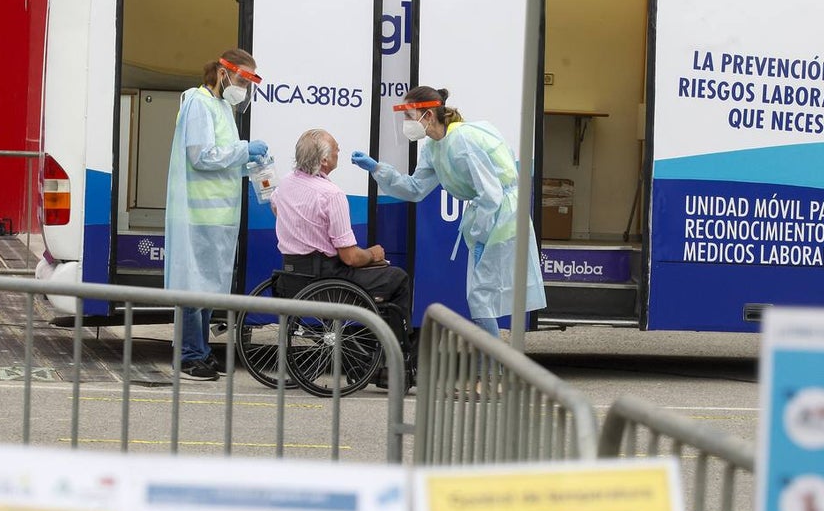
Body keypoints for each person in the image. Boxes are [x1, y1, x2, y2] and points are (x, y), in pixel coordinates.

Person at [350, 85, 546, 340]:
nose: (406, 124)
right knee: (481, 296)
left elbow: (491, 194)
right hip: (491, 218)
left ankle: (491, 371)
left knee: (480, 296)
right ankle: (490, 369)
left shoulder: (463, 141)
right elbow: (415, 189)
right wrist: (377, 169)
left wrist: (482, 231)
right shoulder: (434, 148)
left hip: (502, 218)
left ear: (428, 115)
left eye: (409, 116)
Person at [164, 49, 268, 380]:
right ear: (223, 72)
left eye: (249, 81)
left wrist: (247, 165)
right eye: (242, 79)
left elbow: (221, 163)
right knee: (193, 288)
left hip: (219, 215)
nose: (244, 87)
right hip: (197, 212)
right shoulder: (199, 102)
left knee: (208, 288)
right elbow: (200, 156)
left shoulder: (223, 107)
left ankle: (202, 351)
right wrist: (242, 150)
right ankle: (189, 354)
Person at [271, 128, 413, 327]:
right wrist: (373, 254)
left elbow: (276, 207)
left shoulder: (285, 183)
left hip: (291, 277)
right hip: (326, 280)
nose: (339, 151)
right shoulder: (331, 194)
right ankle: (395, 346)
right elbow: (350, 258)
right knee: (397, 278)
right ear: (324, 161)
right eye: (336, 149)